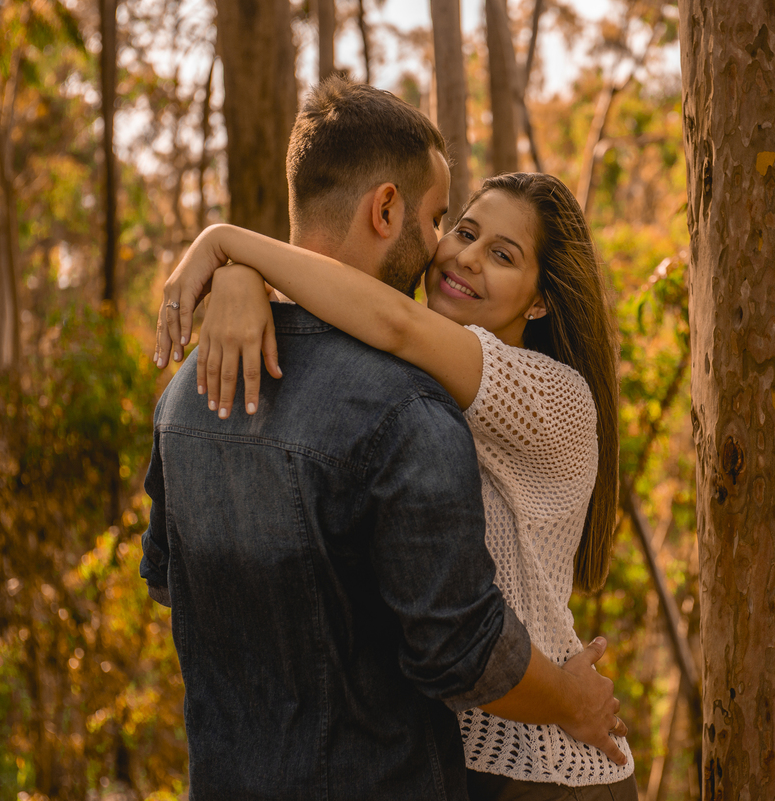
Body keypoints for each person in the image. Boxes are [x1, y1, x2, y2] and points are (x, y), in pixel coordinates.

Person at [141, 77, 627, 800]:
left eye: (503, 255)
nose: (456, 254)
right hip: (446, 761)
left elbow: (392, 323)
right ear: (388, 208)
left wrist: (227, 245)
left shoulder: (544, 396)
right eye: (456, 227)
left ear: (543, 297)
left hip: (544, 763)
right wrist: (241, 273)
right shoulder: (408, 394)